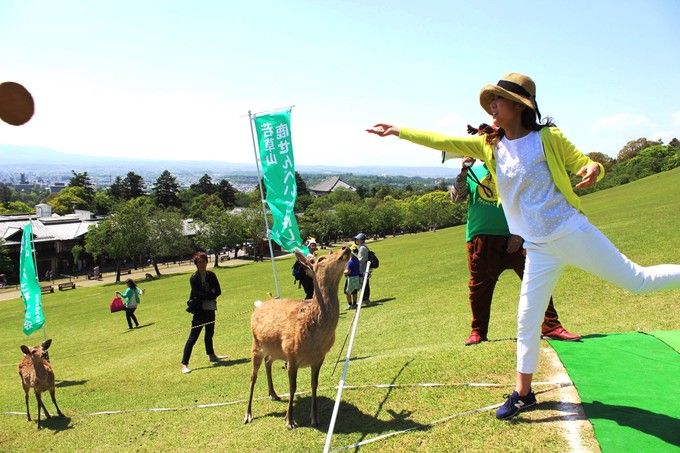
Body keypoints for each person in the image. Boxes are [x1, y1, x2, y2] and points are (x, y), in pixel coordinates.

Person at [367, 72, 680, 420]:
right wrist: (398, 131)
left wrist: (595, 169)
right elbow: (444, 139)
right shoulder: (491, 145)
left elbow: (584, 163)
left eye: (498, 101)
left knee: (637, 281)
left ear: (519, 105)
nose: (492, 107)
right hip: (539, 248)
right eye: (491, 101)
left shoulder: (548, 138)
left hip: (571, 232)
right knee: (526, 321)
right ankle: (523, 394)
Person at [452, 152, 580, 345]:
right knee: (479, 289)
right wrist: (463, 171)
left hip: (517, 237)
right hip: (482, 239)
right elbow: (456, 198)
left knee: (537, 279)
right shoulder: (473, 172)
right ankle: (477, 332)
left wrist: (520, 235)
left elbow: (527, 202)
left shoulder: (513, 170)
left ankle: (551, 326)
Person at [181, 251, 225, 374]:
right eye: (199, 262)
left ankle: (211, 355)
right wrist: (210, 293)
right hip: (199, 311)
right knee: (193, 337)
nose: (202, 264)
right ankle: (184, 364)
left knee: (209, 333)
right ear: (196, 264)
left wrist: (209, 294)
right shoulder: (194, 278)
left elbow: (218, 291)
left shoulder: (211, 275)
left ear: (206, 262)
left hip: (210, 308)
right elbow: (198, 294)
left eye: (203, 262)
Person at [354, 233, 372, 304]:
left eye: (357, 239)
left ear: (361, 240)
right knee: (365, 284)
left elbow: (361, 260)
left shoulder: (362, 248)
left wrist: (354, 257)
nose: (356, 240)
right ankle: (365, 299)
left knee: (363, 284)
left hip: (363, 269)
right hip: (365, 268)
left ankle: (364, 299)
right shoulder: (363, 247)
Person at [344, 244, 362, 309]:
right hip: (356, 277)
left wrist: (344, 272)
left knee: (347, 292)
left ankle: (350, 304)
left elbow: (348, 271)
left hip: (351, 278)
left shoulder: (350, 262)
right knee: (354, 291)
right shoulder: (357, 260)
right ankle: (354, 303)